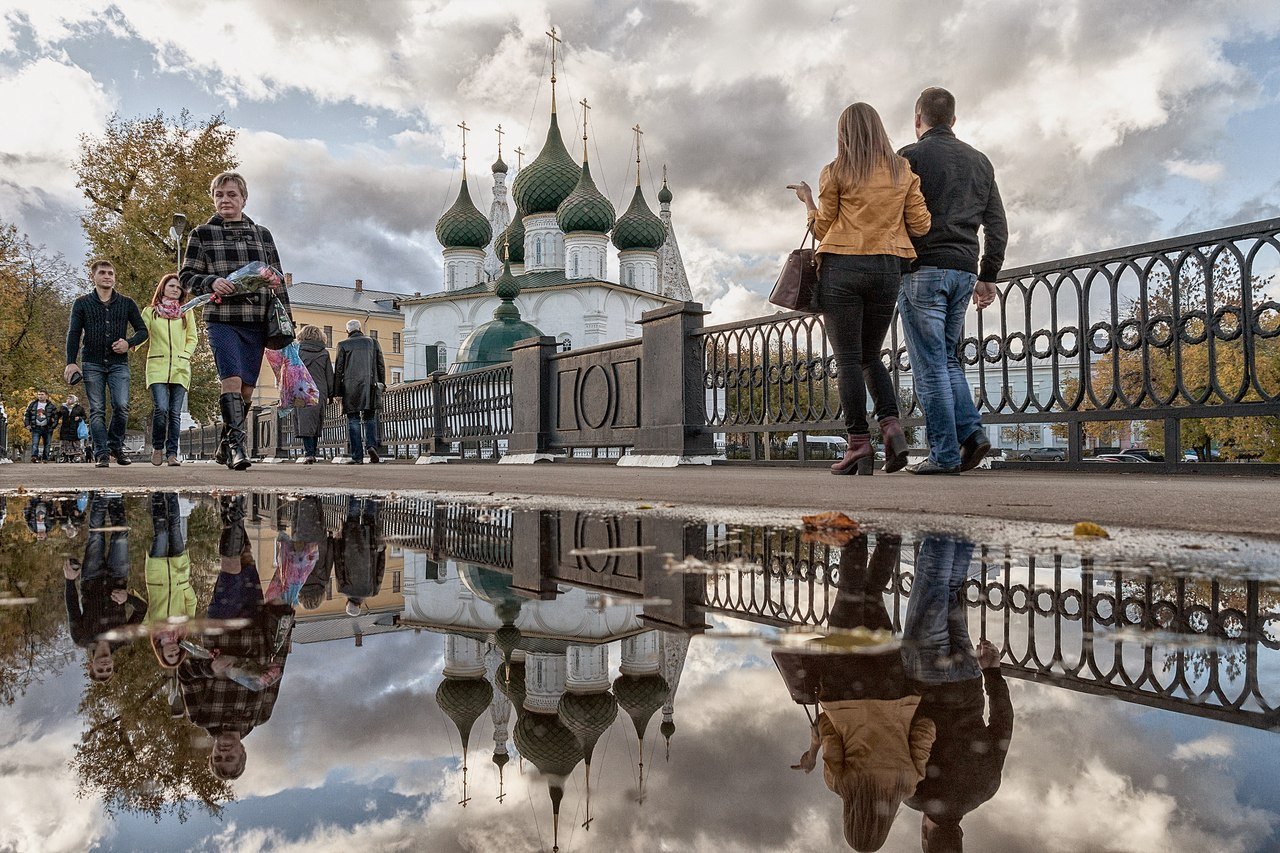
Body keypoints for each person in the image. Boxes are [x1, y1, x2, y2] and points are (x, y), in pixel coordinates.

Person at [790, 103, 931, 476]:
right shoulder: (903, 170)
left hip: (842, 268)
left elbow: (822, 228)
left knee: (849, 359)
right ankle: (891, 426)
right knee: (871, 355)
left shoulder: (836, 171)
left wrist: (807, 201)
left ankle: (858, 443)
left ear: (844, 134)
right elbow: (920, 224)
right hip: (887, 269)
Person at [776, 532, 933, 850]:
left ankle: (890, 532)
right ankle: (854, 536)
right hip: (845, 681)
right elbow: (829, 733)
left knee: (873, 594)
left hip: (890, 679)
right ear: (849, 818)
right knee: (850, 594)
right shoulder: (840, 784)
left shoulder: (909, 783)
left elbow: (926, 729)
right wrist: (814, 749)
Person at [897, 87, 1008, 475]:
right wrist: (988, 274)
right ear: (954, 120)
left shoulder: (907, 159)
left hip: (922, 270)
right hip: (964, 270)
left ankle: (943, 454)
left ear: (918, 119)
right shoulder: (980, 162)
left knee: (929, 366)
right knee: (947, 359)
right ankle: (973, 436)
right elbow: (997, 225)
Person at [900, 535, 1013, 852]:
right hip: (925, 677)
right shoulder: (912, 793)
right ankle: (944, 516)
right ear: (925, 836)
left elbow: (1003, 722)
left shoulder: (985, 789)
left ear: (959, 838)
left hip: (967, 679)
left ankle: (962, 530)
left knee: (949, 592)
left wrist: (992, 672)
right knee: (931, 583)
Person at [180, 170, 290, 471]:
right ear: (213, 199)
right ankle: (239, 449)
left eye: (231, 194)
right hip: (222, 318)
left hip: (255, 319)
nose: (225, 200)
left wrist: (286, 324)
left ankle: (226, 442)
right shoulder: (201, 234)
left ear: (243, 198)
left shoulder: (262, 234)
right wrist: (212, 281)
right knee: (230, 379)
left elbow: (276, 280)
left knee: (246, 389)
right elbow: (187, 276)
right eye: (219, 195)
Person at [179, 495, 294, 781]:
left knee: (230, 567)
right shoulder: (260, 715)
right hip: (256, 624)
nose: (224, 751)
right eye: (231, 757)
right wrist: (285, 625)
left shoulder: (201, 716)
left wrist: (209, 668)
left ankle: (233, 512)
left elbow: (184, 674)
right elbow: (275, 670)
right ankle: (232, 510)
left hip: (223, 625)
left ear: (212, 752)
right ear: (243, 752)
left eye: (219, 756)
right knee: (244, 559)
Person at [64, 259, 148, 468]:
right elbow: (74, 333)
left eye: (111, 273)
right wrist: (70, 362)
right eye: (102, 272)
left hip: (119, 363)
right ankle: (102, 452)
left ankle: (114, 445)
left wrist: (128, 343)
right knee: (97, 409)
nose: (107, 276)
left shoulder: (127, 303)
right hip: (91, 363)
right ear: (93, 276)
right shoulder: (82, 303)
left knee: (121, 406)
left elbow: (143, 331)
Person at [64, 492, 145, 683]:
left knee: (96, 535)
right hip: (118, 576)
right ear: (113, 665)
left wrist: (69, 581)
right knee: (121, 533)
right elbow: (142, 609)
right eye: (109, 669)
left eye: (100, 670)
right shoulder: (124, 639)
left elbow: (73, 608)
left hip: (91, 579)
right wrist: (128, 598)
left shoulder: (82, 639)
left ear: (91, 666)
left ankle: (101, 494)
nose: (105, 666)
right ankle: (115, 497)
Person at [141, 273, 199, 466]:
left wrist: (185, 355)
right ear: (163, 288)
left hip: (180, 367)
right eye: (171, 286)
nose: (175, 289)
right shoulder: (150, 312)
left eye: (178, 287)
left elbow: (193, 338)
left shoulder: (186, 311)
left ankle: (172, 453)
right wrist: (128, 344)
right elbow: (142, 334)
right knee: (161, 408)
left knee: (175, 413)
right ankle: (158, 447)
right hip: (157, 365)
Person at [145, 492, 195, 669]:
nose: (174, 651)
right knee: (175, 526)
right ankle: (172, 493)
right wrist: (184, 584)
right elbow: (192, 601)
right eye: (176, 654)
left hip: (156, 575)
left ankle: (157, 494)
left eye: (170, 654)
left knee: (161, 532)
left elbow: (142, 606)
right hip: (179, 573)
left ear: (161, 651)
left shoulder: (150, 628)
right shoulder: (184, 627)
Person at [333, 319, 385, 464]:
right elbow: (380, 364)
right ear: (360, 329)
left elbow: (338, 370)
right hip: (370, 385)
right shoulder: (373, 343)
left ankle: (357, 457)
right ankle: (371, 446)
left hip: (350, 389)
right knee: (370, 418)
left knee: (353, 420)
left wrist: (336, 392)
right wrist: (382, 384)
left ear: (347, 331)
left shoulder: (343, 345)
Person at [335, 495, 384, 615]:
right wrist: (337, 543)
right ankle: (355, 495)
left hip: (370, 548)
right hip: (349, 546)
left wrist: (382, 552)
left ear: (360, 605)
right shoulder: (343, 589)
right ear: (347, 603)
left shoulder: (372, 591)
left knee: (369, 517)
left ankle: (372, 495)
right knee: (352, 517)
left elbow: (380, 570)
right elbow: (338, 564)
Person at [294, 324, 334, 464]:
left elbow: (290, 371)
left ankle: (309, 453)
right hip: (319, 390)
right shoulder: (324, 352)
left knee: (304, 420)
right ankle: (313, 452)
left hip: (301, 390)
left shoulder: (297, 351)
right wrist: (331, 394)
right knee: (316, 420)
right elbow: (329, 374)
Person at [53, 393, 88, 462]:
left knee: (74, 443)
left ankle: (74, 458)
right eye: (68, 398)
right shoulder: (63, 407)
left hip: (75, 428)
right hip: (65, 428)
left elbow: (85, 417)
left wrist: (79, 418)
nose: (68, 400)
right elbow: (57, 415)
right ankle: (64, 457)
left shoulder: (79, 408)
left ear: (74, 400)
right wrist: (54, 419)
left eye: (70, 398)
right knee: (65, 443)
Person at [23, 389, 56, 462]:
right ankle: (34, 457)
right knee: (35, 443)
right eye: (39, 394)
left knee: (47, 444)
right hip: (36, 427)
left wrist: (53, 425)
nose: (40, 396)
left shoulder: (51, 405)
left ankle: (45, 458)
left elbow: (56, 416)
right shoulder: (33, 404)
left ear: (46, 395)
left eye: (42, 394)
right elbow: (27, 415)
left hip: (47, 428)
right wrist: (27, 424)